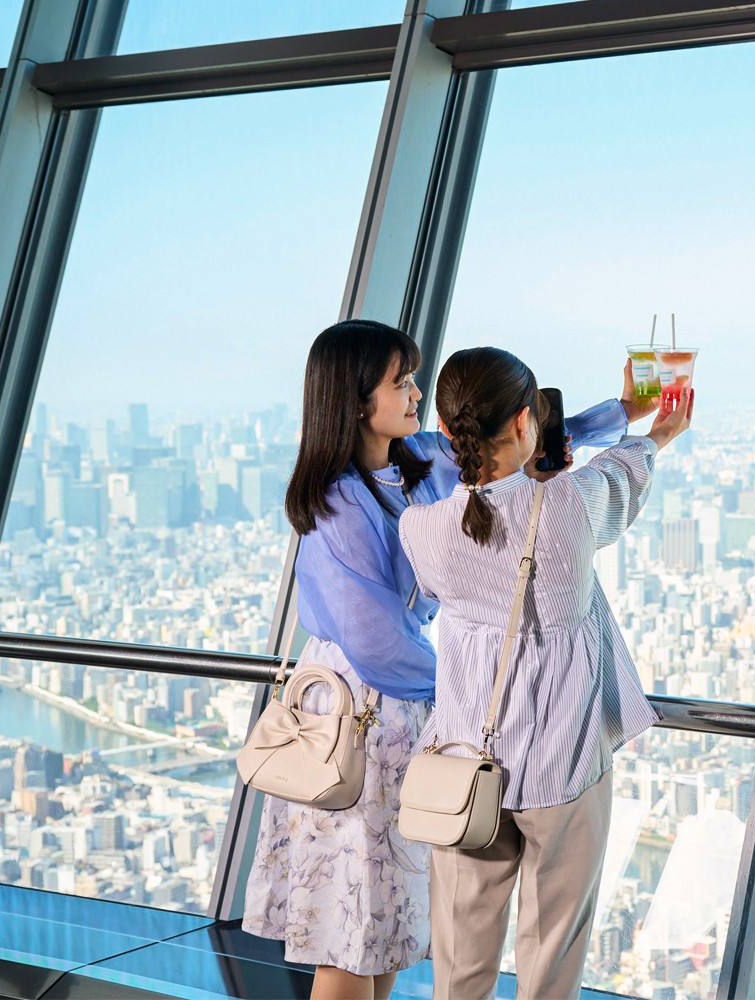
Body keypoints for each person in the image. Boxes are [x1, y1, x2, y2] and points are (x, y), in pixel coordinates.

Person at [242, 320, 649, 1000]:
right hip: (359, 719)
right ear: (353, 400)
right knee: (352, 936)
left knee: (389, 925)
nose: (413, 391)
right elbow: (376, 646)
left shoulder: (418, 461)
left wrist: (619, 413)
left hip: (409, 723)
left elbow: (509, 438)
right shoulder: (339, 506)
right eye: (398, 380)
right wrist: (477, 684)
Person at [398, 346, 693, 1000]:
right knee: (552, 955)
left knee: (461, 957)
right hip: (565, 762)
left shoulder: (422, 528)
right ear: (529, 421)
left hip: (465, 766)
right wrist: (656, 431)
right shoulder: (566, 506)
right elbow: (620, 472)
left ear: (446, 433)